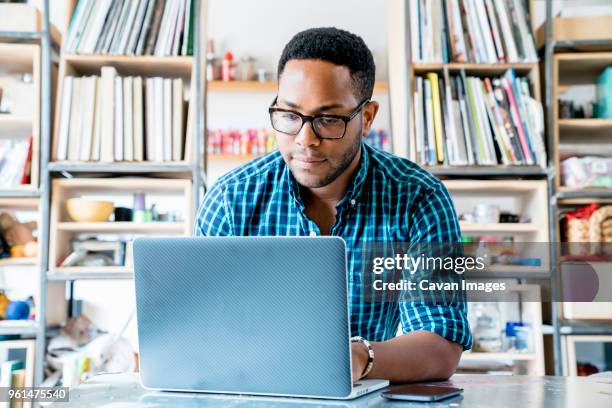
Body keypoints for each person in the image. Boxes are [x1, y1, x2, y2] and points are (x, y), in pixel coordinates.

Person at [195, 27, 472, 383]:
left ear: (367, 118)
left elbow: (440, 344)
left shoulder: (418, 198)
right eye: (290, 115)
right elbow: (197, 328)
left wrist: (358, 357)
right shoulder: (231, 198)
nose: (305, 140)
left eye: (328, 120)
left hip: (363, 394)